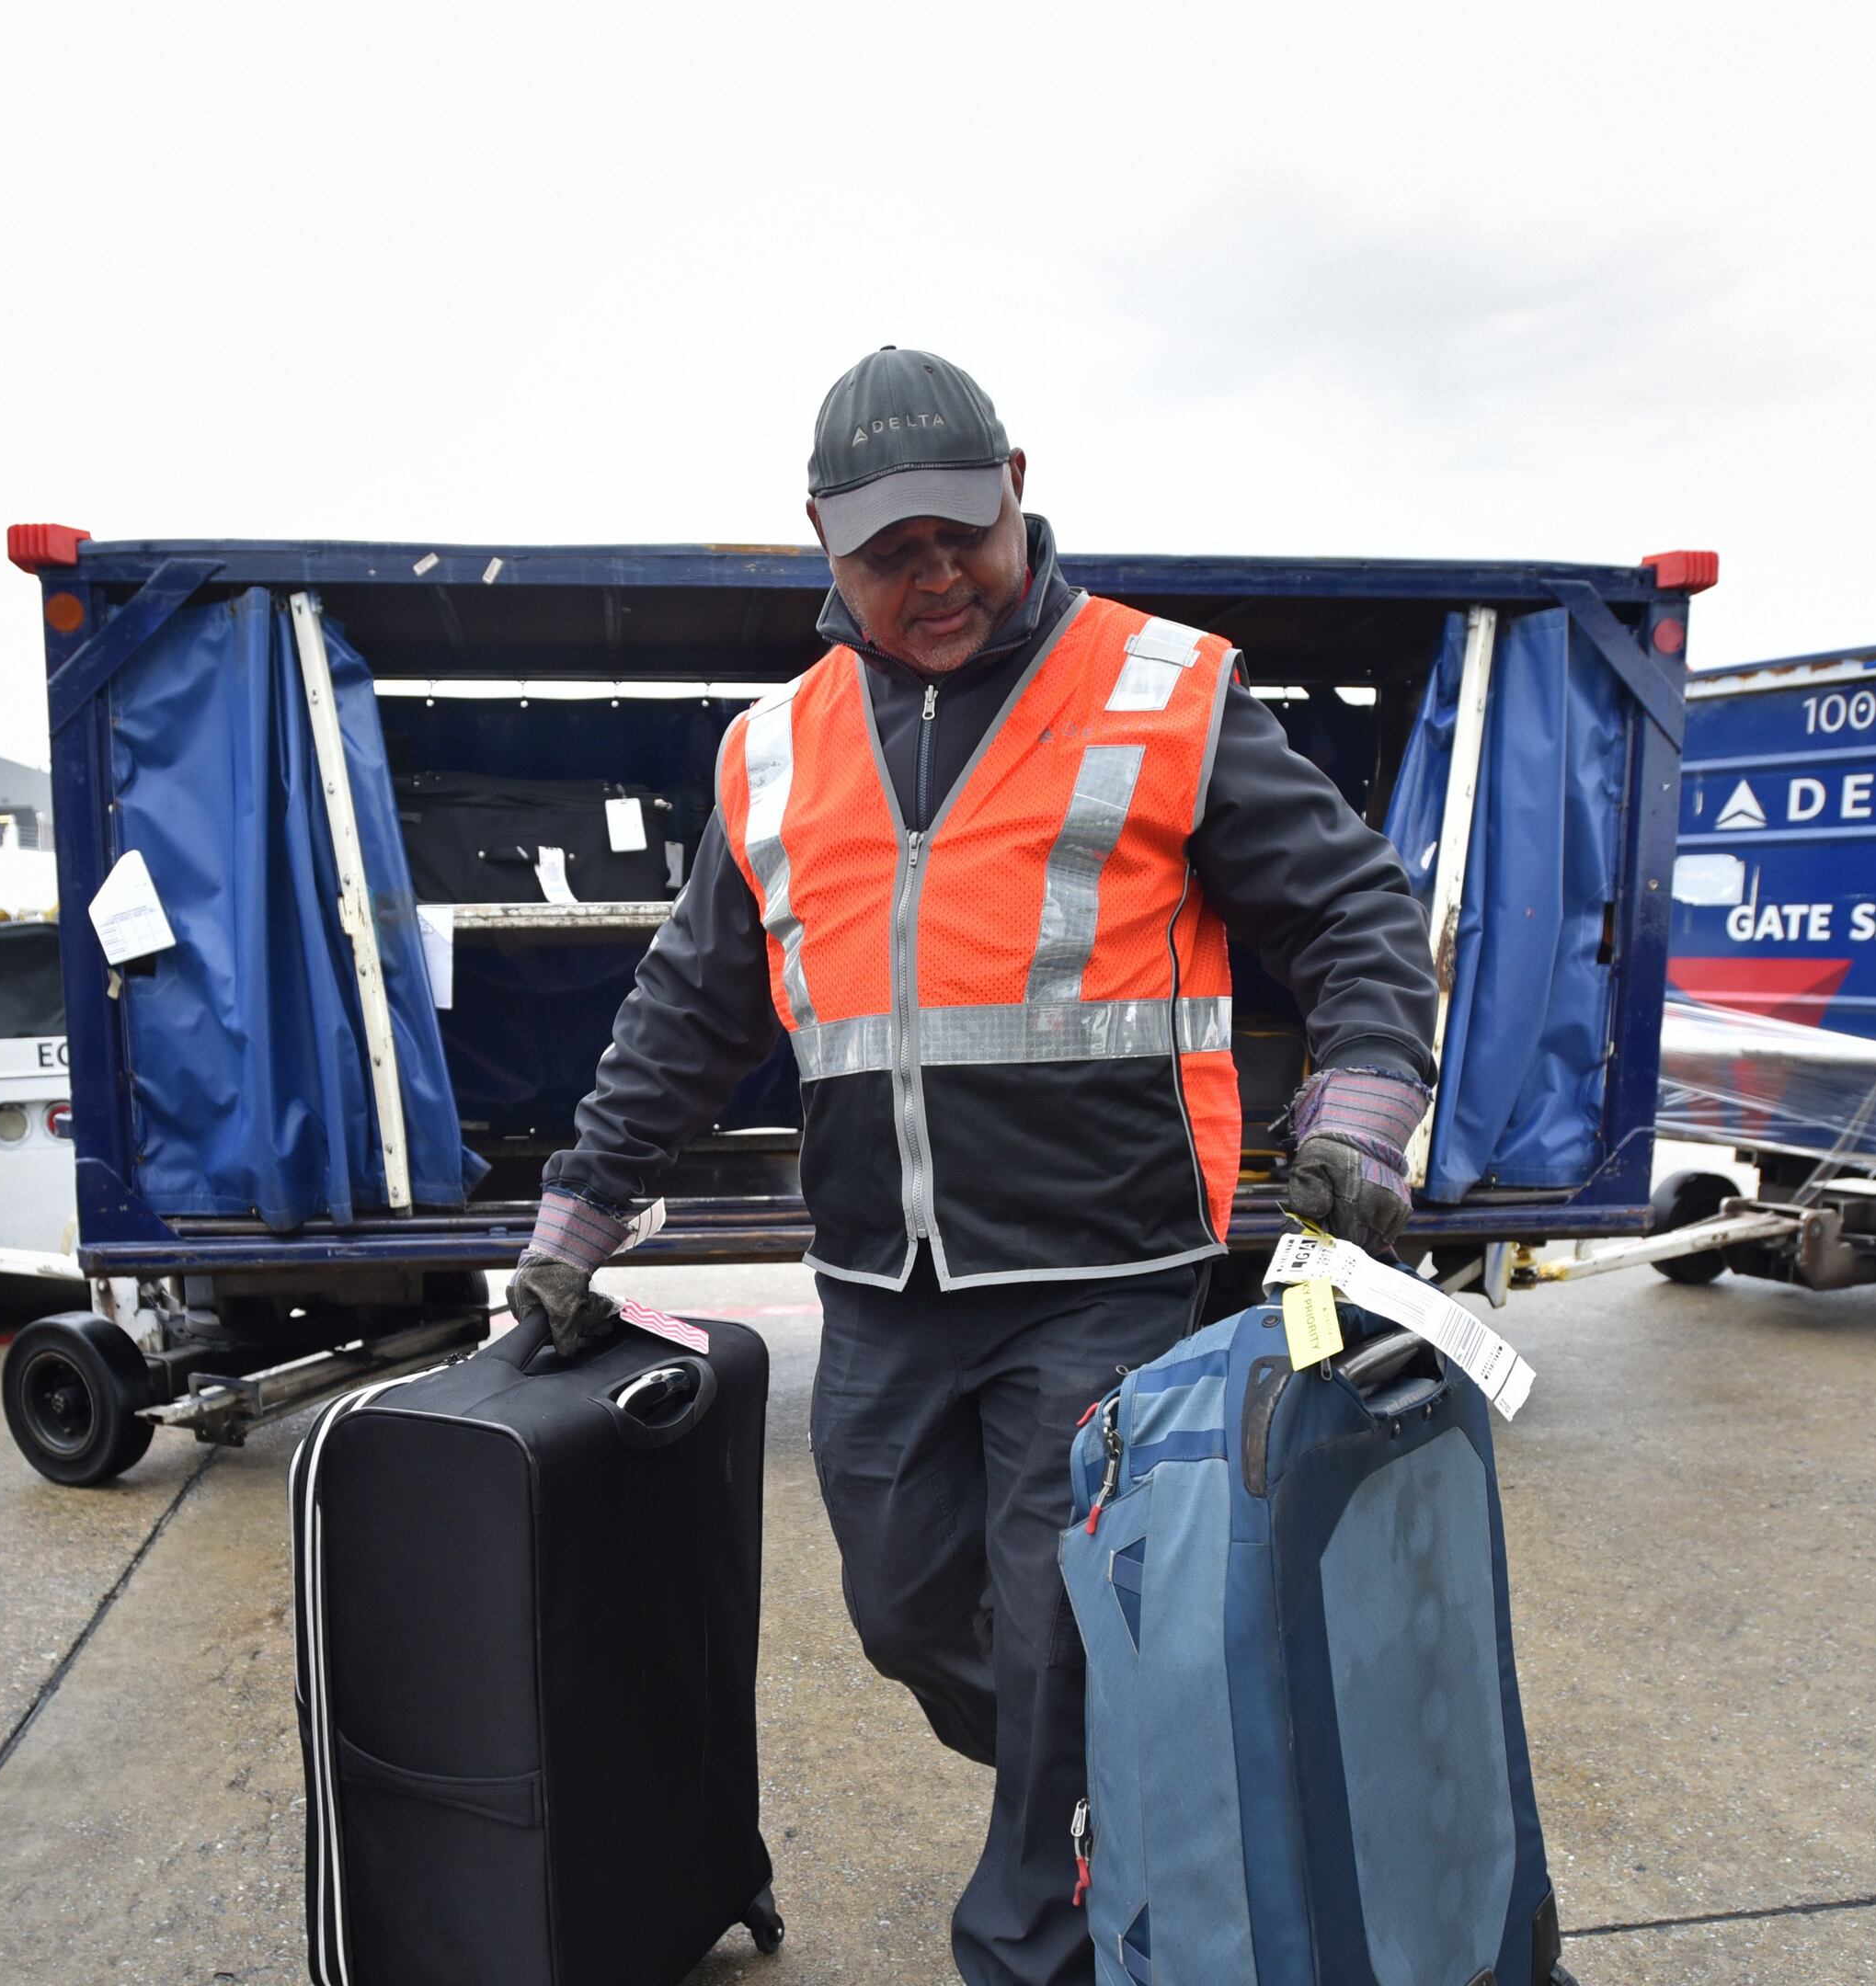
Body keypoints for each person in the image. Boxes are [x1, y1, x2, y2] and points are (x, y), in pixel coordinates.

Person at [509, 348, 1438, 1986]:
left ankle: (1034, 1929)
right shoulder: (777, 751)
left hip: (1108, 1269)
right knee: (908, 1611)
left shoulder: (1160, 689)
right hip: (882, 1283)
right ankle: (1175, 1773)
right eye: (889, 550)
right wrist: (582, 1217)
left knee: (1061, 1614)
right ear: (820, 541)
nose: (935, 575)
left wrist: (1362, 1107)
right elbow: (686, 1007)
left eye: (961, 531)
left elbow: (1355, 912)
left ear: (1019, 485)